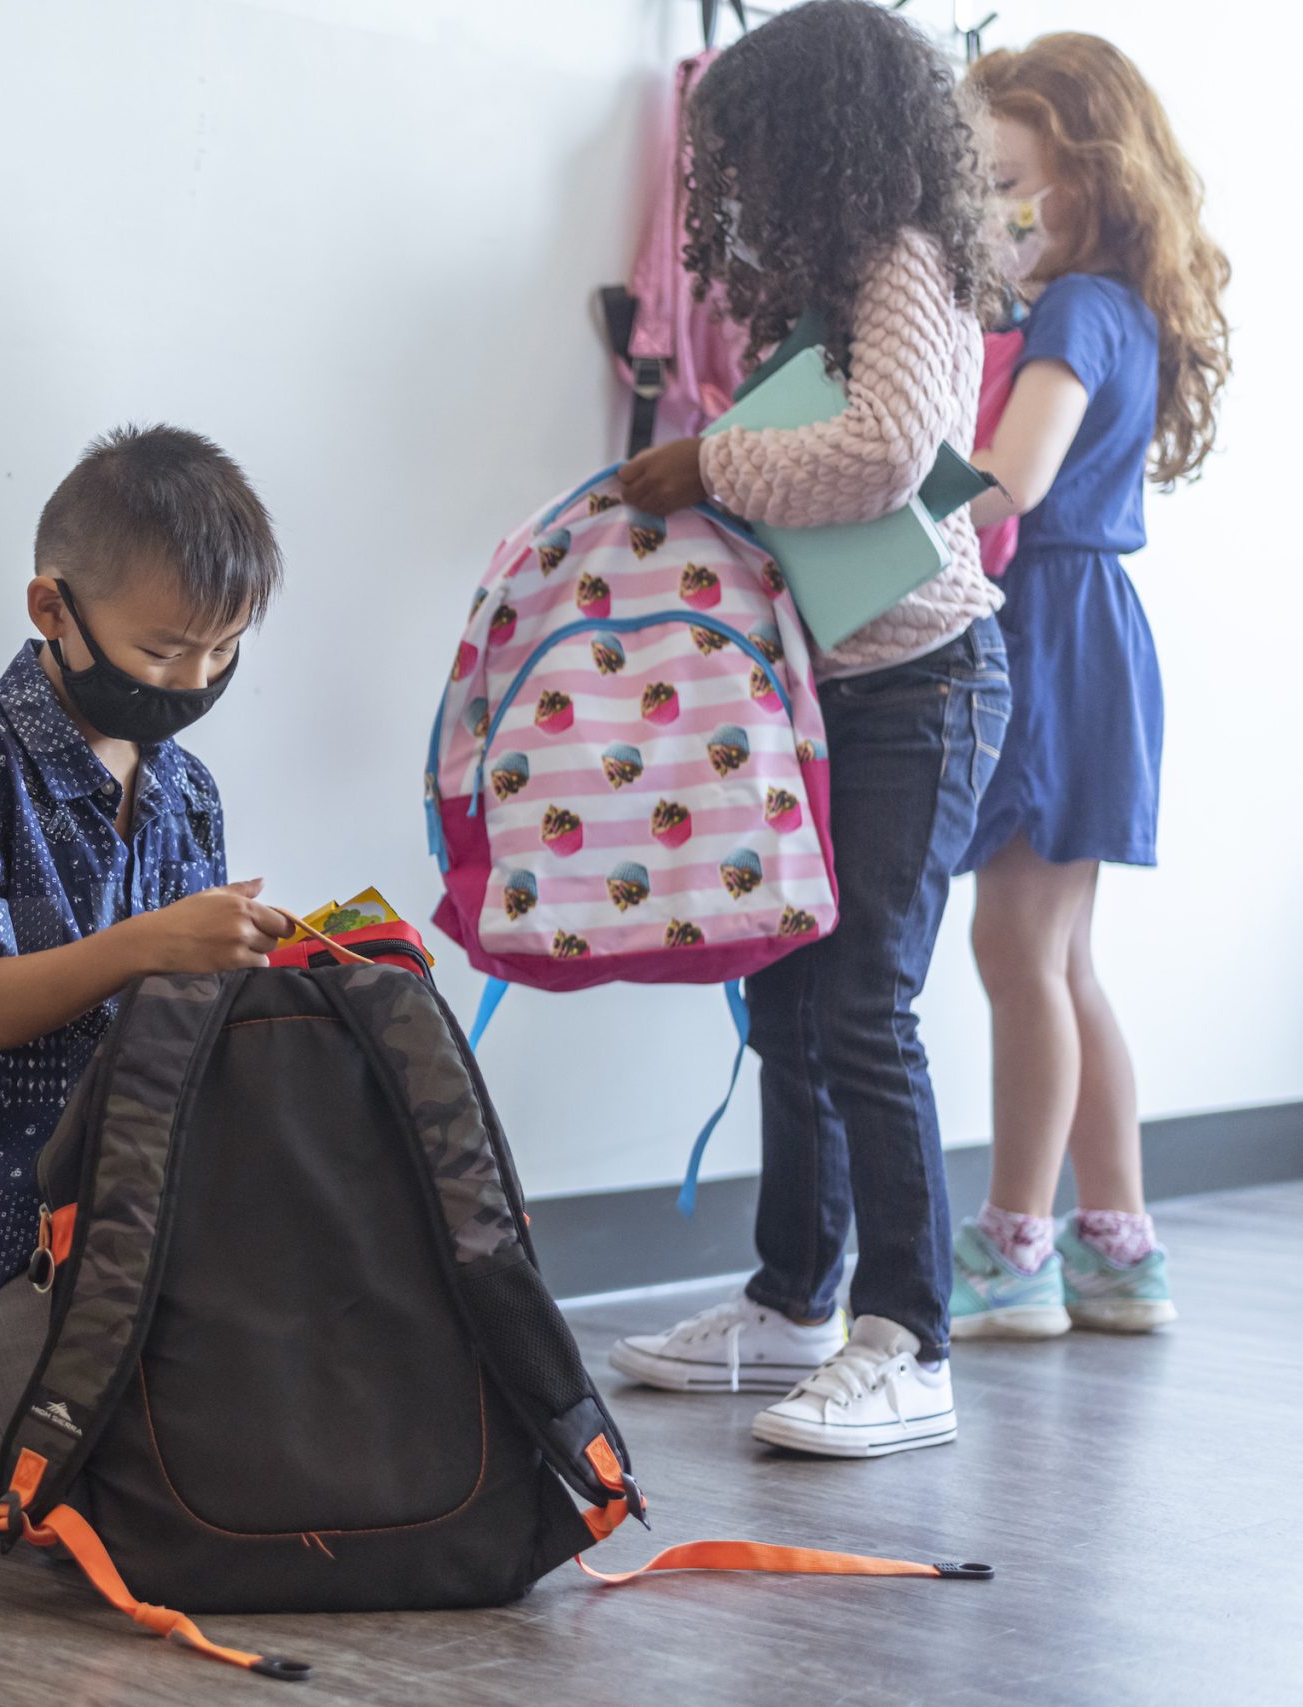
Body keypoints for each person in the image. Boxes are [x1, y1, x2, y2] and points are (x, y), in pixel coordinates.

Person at [606, 0, 1009, 1459]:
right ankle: (794, 1297)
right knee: (788, 1000)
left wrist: (704, 456)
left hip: (927, 691)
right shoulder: (829, 290)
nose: (735, 188)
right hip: (840, 698)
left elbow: (885, 453)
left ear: (819, 139)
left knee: (862, 1009)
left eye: (751, 154)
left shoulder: (905, 264)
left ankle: (912, 1334)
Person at [0, 425, 289, 1484]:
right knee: (120, 1480)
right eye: (162, 651)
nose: (194, 680)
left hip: (148, 1193)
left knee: (278, 1424)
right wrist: (146, 945)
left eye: (223, 650)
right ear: (52, 609)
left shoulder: (186, 790)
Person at [948, 35, 1229, 1339]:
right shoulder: (1120, 305)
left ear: (1092, 178)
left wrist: (885, 502)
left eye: (1013, 180)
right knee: (1062, 957)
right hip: (1095, 626)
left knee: (1017, 952)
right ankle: (1117, 1241)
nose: (996, 207)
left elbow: (1014, 479)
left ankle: (1017, 1243)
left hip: (1049, 626)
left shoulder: (1069, 313)